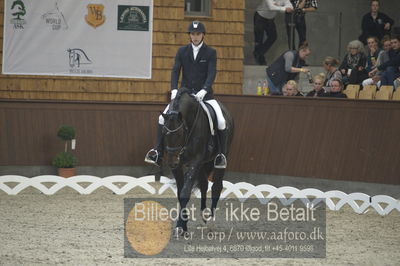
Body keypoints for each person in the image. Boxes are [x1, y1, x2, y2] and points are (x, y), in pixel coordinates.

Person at [144, 21, 228, 169]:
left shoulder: (210, 52)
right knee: (161, 117)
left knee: (221, 121)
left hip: (205, 96)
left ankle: (220, 155)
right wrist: (174, 89)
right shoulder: (182, 51)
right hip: (185, 95)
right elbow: (176, 70)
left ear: (203, 35)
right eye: (192, 34)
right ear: (189, 35)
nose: (195, 37)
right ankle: (157, 151)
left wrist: (205, 89)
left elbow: (211, 73)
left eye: (198, 34)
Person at [253, 0, 294, 65]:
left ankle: (259, 53)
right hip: (260, 17)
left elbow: (291, 7)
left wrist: (278, 7)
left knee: (273, 36)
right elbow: (271, 7)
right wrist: (284, 8)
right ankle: (260, 57)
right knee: (259, 38)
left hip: (270, 19)